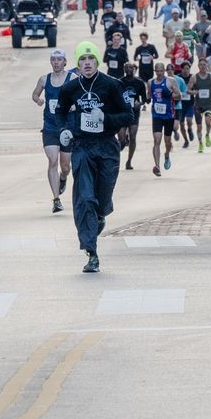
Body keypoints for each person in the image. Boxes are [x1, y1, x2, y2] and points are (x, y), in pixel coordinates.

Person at [57, 41, 136, 273]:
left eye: (91, 59)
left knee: (101, 199)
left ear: (97, 62)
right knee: (85, 198)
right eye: (82, 59)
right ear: (78, 63)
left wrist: (106, 119)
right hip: (82, 146)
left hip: (107, 147)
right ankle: (91, 253)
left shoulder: (111, 85)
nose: (87, 63)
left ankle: (101, 215)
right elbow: (60, 112)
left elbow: (128, 114)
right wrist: (64, 130)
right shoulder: (70, 89)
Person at [32, 48, 74, 213]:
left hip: (67, 128)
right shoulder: (44, 79)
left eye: (59, 59)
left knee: (65, 166)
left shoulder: (73, 78)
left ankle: (63, 178)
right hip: (50, 127)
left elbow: (81, 97)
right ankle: (56, 199)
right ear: (51, 62)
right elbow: (34, 94)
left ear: (65, 62)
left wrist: (74, 105)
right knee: (52, 161)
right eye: (53, 59)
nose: (56, 62)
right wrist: (38, 100)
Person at [148, 60, 183, 175]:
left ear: (164, 71)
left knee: (167, 141)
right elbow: (149, 95)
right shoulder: (150, 82)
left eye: (161, 71)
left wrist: (171, 95)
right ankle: (157, 166)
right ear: (155, 71)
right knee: (156, 139)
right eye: (157, 71)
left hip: (169, 115)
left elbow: (179, 95)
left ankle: (167, 154)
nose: (159, 73)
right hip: (157, 115)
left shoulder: (170, 81)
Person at [118, 60, 147, 170]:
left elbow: (144, 99)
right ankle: (122, 143)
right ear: (124, 69)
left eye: (131, 68)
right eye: (127, 67)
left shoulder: (139, 83)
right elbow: (115, 96)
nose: (129, 69)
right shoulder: (119, 82)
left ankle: (129, 161)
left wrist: (139, 103)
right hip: (122, 112)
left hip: (134, 113)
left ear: (134, 70)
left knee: (133, 136)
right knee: (121, 139)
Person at [190, 55, 211, 151]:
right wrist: (194, 92)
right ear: (198, 66)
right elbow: (188, 90)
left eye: (204, 65)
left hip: (208, 104)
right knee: (199, 126)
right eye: (200, 65)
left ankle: (207, 135)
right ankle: (200, 143)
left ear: (207, 65)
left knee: (208, 122)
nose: (202, 66)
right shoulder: (194, 78)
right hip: (198, 106)